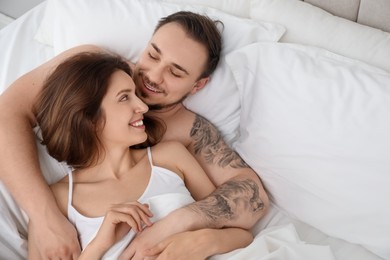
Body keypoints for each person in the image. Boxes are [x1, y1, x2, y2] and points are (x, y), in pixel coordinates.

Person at [0, 11, 269, 259]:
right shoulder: (95, 73)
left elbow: (251, 194)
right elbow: (6, 113)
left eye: (175, 72)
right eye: (152, 55)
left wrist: (182, 225)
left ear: (197, 86)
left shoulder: (188, 132)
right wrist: (46, 217)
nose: (152, 75)